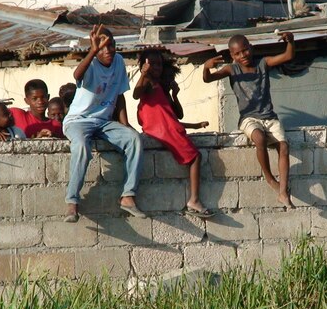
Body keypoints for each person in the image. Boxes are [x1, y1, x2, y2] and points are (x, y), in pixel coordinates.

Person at [203, 32, 295, 208]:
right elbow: (208, 79)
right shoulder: (232, 69)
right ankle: (269, 178)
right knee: (259, 138)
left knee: (283, 147)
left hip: (269, 117)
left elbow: (288, 55)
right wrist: (206, 68)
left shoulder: (263, 63)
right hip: (248, 118)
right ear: (232, 55)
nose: (242, 56)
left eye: (245, 51)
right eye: (237, 53)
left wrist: (290, 41)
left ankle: (283, 193)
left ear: (250, 48)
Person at [63, 24, 144, 223]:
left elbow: (120, 95)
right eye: (102, 47)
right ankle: (72, 202)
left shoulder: (118, 62)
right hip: (79, 121)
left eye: (111, 45)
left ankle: (128, 196)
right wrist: (92, 51)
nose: (107, 51)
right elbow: (77, 76)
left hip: (104, 122)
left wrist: (125, 124)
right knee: (81, 147)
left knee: (134, 140)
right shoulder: (90, 64)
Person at [134, 49, 212, 218]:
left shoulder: (162, 91)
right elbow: (135, 94)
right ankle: (194, 200)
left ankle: (194, 200)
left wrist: (175, 95)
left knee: (195, 155)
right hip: (163, 131)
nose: (157, 67)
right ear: (145, 65)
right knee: (195, 156)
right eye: (152, 64)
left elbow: (176, 116)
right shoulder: (147, 82)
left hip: (165, 128)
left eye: (159, 64)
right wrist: (143, 74)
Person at [0, 66, 64, 139]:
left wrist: (53, 137)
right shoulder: (17, 115)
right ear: (26, 100)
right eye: (35, 99)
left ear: (48, 97)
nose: (40, 102)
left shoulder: (55, 124)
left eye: (43, 97)